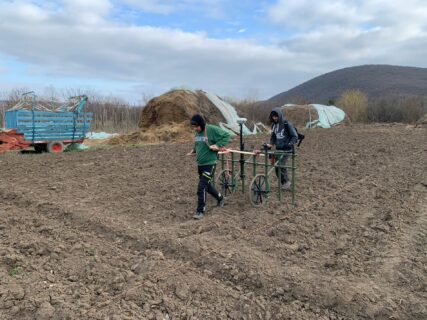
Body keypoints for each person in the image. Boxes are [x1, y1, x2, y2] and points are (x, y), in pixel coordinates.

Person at [187, 114, 231, 220]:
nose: (195, 129)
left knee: (201, 187)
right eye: (194, 127)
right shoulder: (197, 132)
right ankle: (220, 198)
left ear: (201, 124)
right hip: (200, 164)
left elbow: (227, 135)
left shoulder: (211, 129)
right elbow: (198, 144)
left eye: (197, 126)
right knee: (207, 186)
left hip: (210, 164)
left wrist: (218, 145)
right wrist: (194, 150)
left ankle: (200, 211)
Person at [267, 107, 298, 190]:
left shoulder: (286, 124)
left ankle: (286, 183)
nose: (275, 118)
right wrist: (270, 144)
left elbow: (294, 136)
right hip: (278, 149)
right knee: (276, 167)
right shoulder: (273, 125)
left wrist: (289, 144)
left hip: (287, 149)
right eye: (273, 116)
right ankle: (284, 183)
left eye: (276, 116)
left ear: (279, 115)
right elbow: (273, 137)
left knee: (281, 165)